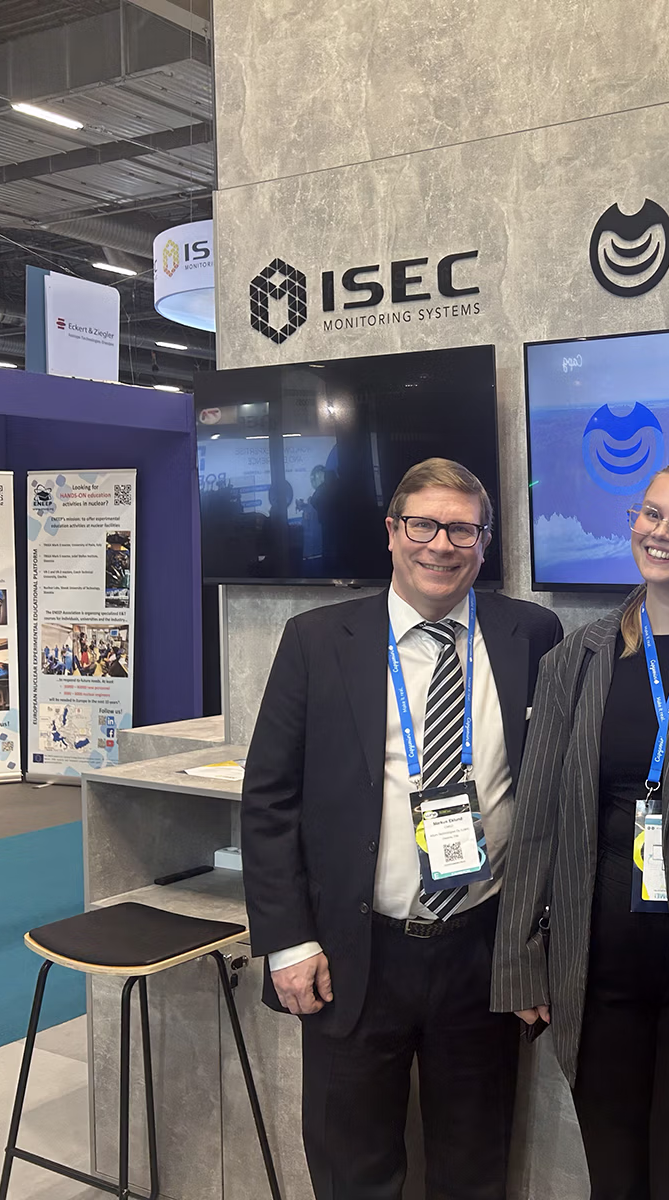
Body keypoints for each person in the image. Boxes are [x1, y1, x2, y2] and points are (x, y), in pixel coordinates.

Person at [241, 458, 563, 1199]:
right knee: (354, 1168)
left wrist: (535, 944)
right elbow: (269, 802)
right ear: (392, 533)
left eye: (462, 529)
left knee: (474, 1164)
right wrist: (288, 942)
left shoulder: (532, 634)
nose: (441, 545)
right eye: (423, 525)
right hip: (355, 952)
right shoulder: (319, 640)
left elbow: (553, 800)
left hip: (483, 952)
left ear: (484, 543)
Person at [492, 460, 669, 1199]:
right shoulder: (578, 658)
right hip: (599, 971)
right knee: (614, 1185)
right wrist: (523, 958)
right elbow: (540, 822)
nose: (659, 532)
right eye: (650, 514)